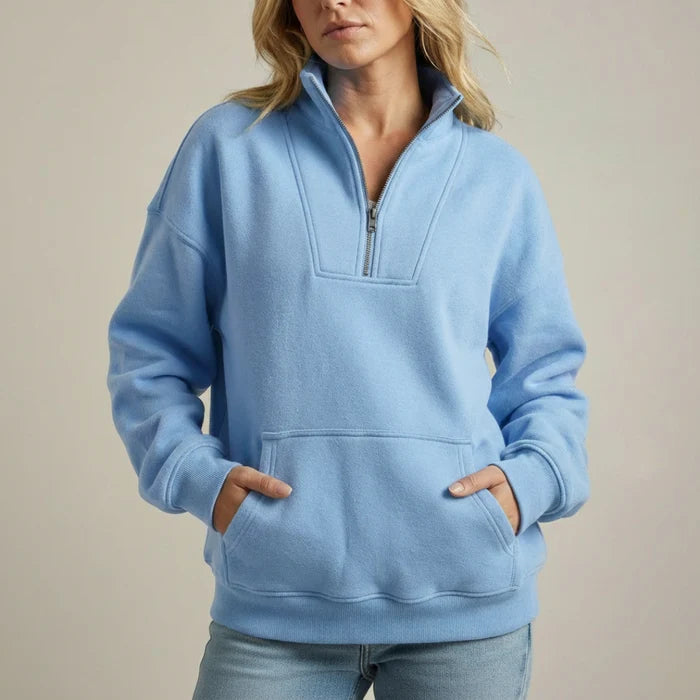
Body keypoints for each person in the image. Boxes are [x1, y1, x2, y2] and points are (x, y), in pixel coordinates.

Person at [106, 1, 590, 697]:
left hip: (465, 607)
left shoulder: (496, 178)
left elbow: (546, 373)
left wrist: (529, 485)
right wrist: (194, 476)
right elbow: (150, 352)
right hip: (275, 603)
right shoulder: (228, 149)